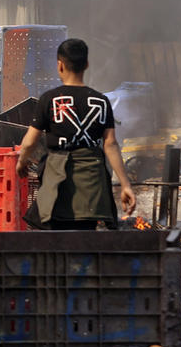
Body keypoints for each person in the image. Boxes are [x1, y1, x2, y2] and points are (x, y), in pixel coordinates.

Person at [16, 38, 136, 230]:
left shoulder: (50, 99)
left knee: (55, 239)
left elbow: (30, 142)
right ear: (86, 64)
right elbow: (111, 145)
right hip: (92, 185)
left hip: (57, 183)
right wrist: (125, 185)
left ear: (60, 65)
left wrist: (22, 162)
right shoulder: (101, 101)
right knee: (85, 239)